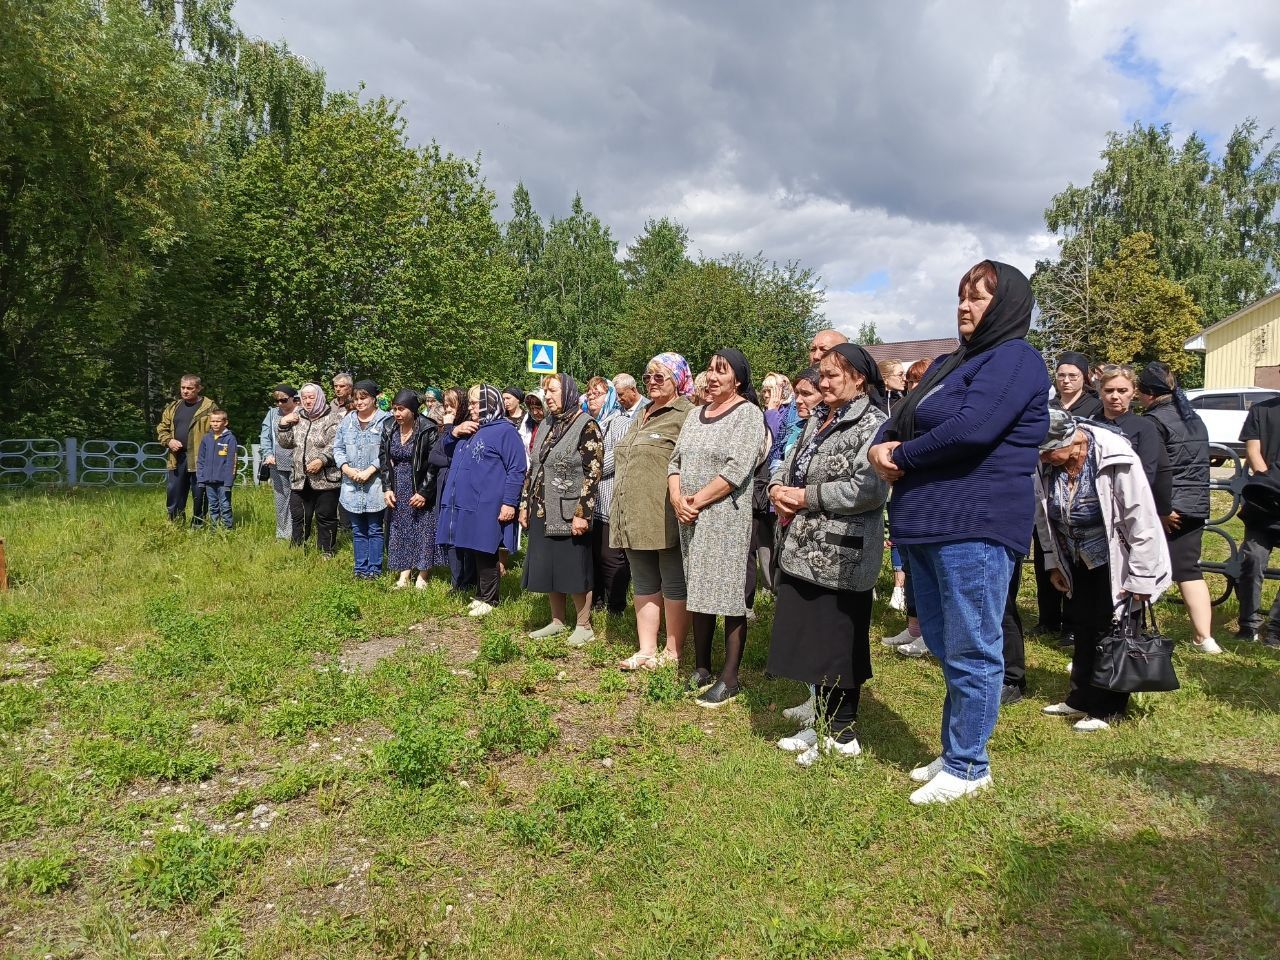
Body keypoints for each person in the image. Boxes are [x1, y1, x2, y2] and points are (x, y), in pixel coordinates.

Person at [869, 260, 1049, 805]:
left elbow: (973, 430)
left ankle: (970, 766)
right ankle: (955, 751)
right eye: (962, 296)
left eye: (979, 298)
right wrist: (881, 444)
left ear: (1009, 306)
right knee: (947, 644)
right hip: (924, 523)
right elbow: (900, 415)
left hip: (975, 524)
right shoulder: (953, 363)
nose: (965, 306)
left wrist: (902, 453)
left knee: (973, 645)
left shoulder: (1016, 360)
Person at [768, 344, 889, 765]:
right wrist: (777, 490)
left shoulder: (873, 424)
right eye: (821, 374)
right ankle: (820, 720)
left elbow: (869, 490)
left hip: (841, 555)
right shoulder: (820, 419)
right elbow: (789, 464)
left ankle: (842, 735)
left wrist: (803, 497)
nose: (822, 382)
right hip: (805, 548)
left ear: (859, 379)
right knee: (815, 642)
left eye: (832, 375)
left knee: (838, 642)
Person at [1036, 409, 1172, 729]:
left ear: (1072, 441)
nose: (1043, 458)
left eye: (1048, 451)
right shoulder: (1048, 463)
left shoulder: (1115, 456)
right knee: (1082, 625)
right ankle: (1080, 698)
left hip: (1119, 558)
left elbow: (1142, 519)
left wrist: (1141, 575)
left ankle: (1108, 708)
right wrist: (1053, 561)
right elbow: (1044, 516)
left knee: (1115, 631)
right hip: (1075, 556)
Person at [669, 349, 768, 708]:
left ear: (737, 380)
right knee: (698, 588)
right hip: (690, 518)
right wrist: (678, 497)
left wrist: (694, 502)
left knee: (726, 593)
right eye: (709, 370)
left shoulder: (748, 415)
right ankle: (701, 667)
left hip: (723, 519)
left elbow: (735, 469)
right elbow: (675, 461)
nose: (711, 377)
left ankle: (730, 677)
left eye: (721, 371)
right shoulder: (695, 415)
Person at [1123, 363, 1215, 653]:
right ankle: (1205, 637)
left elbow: (1158, 469)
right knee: (1189, 569)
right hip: (1196, 503)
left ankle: (1129, 633)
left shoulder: (1152, 421)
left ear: (1148, 394)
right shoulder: (1193, 417)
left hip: (1168, 507)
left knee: (1141, 568)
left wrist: (1161, 510)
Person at [612, 353, 696, 670]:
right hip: (631, 512)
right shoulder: (642, 412)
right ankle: (646, 650)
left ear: (678, 379)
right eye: (647, 376)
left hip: (664, 513)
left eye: (659, 376)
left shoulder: (687, 414)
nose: (651, 382)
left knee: (673, 582)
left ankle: (672, 651)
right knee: (644, 580)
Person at [520, 373, 603, 646]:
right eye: (546, 392)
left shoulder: (586, 425)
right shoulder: (545, 424)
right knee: (550, 566)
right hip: (542, 506)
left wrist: (582, 513)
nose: (549, 397)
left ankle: (584, 625)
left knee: (573, 567)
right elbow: (534, 467)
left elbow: (593, 473)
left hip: (569, 508)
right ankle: (557, 621)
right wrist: (524, 504)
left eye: (553, 391)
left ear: (567, 392)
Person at [437, 385, 526, 616]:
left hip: (489, 501)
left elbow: (517, 469)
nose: (471, 407)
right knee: (474, 547)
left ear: (490, 404)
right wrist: (454, 431)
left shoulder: (505, 431)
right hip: (468, 501)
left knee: (486, 548)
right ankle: (480, 593)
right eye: (471, 403)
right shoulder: (471, 428)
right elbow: (445, 450)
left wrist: (509, 502)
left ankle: (490, 598)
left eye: (476, 403)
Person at [382, 389, 442, 589]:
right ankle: (404, 573)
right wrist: (387, 487)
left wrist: (424, 492)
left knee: (423, 529)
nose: (397, 414)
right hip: (398, 483)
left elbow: (434, 464)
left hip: (420, 482)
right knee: (401, 528)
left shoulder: (427, 428)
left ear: (413, 410)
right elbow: (384, 460)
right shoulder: (389, 426)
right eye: (394, 409)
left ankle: (423, 575)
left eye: (401, 409)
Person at [277, 382, 344, 556]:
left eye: (311, 397)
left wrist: (322, 459)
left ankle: (326, 552)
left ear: (320, 398)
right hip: (300, 478)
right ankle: (297, 550)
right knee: (298, 515)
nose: (307, 401)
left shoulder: (334, 417)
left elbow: (337, 445)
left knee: (325, 516)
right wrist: (283, 424)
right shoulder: (297, 415)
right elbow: (286, 443)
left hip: (326, 478)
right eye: (304, 397)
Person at [333, 380, 390, 579]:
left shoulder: (386, 421)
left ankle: (374, 570)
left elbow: (387, 451)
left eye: (363, 398)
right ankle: (360, 569)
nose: (359, 402)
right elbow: (338, 448)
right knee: (358, 530)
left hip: (375, 485)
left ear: (374, 399)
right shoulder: (347, 421)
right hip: (351, 485)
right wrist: (346, 468)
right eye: (356, 398)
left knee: (375, 529)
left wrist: (370, 470)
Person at [584, 376, 631, 616]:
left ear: (610, 396)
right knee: (592, 555)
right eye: (590, 393)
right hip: (590, 501)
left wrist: (587, 469)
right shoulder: (589, 422)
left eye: (598, 393)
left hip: (609, 498)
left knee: (610, 556)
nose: (592, 396)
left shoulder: (621, 422)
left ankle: (616, 607)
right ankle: (597, 601)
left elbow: (617, 456)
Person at [156, 374, 217, 526]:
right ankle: (175, 524)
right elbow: (162, 429)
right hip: (177, 458)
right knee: (174, 493)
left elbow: (218, 431)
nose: (185, 391)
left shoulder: (210, 408)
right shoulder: (173, 407)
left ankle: (198, 525)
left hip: (200, 459)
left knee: (200, 494)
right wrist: (169, 441)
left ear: (198, 388)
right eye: (183, 388)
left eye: (189, 388)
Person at [428, 388, 472, 592]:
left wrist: (451, 430)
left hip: (464, 488)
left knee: (465, 534)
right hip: (444, 486)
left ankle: (469, 580)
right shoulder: (447, 429)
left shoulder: (470, 428)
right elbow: (434, 456)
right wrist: (448, 429)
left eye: (452, 405)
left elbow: (463, 455)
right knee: (450, 534)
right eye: (445, 405)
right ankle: (457, 581)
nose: (448, 410)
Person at [260, 384, 297, 539]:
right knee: (281, 500)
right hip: (277, 462)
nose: (280, 404)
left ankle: (298, 534)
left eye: (283, 400)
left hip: (298, 462)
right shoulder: (272, 413)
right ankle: (283, 535)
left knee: (298, 501)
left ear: (293, 398)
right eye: (277, 401)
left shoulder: (302, 412)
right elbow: (265, 435)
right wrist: (268, 454)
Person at [195, 409, 237, 530]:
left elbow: (232, 461)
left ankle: (227, 529)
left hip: (224, 481)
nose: (214, 424)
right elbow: (201, 460)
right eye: (212, 421)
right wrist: (201, 479)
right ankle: (214, 529)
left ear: (225, 422)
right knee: (212, 506)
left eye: (218, 421)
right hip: (209, 480)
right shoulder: (206, 438)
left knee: (225, 505)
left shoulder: (230, 438)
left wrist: (229, 481)